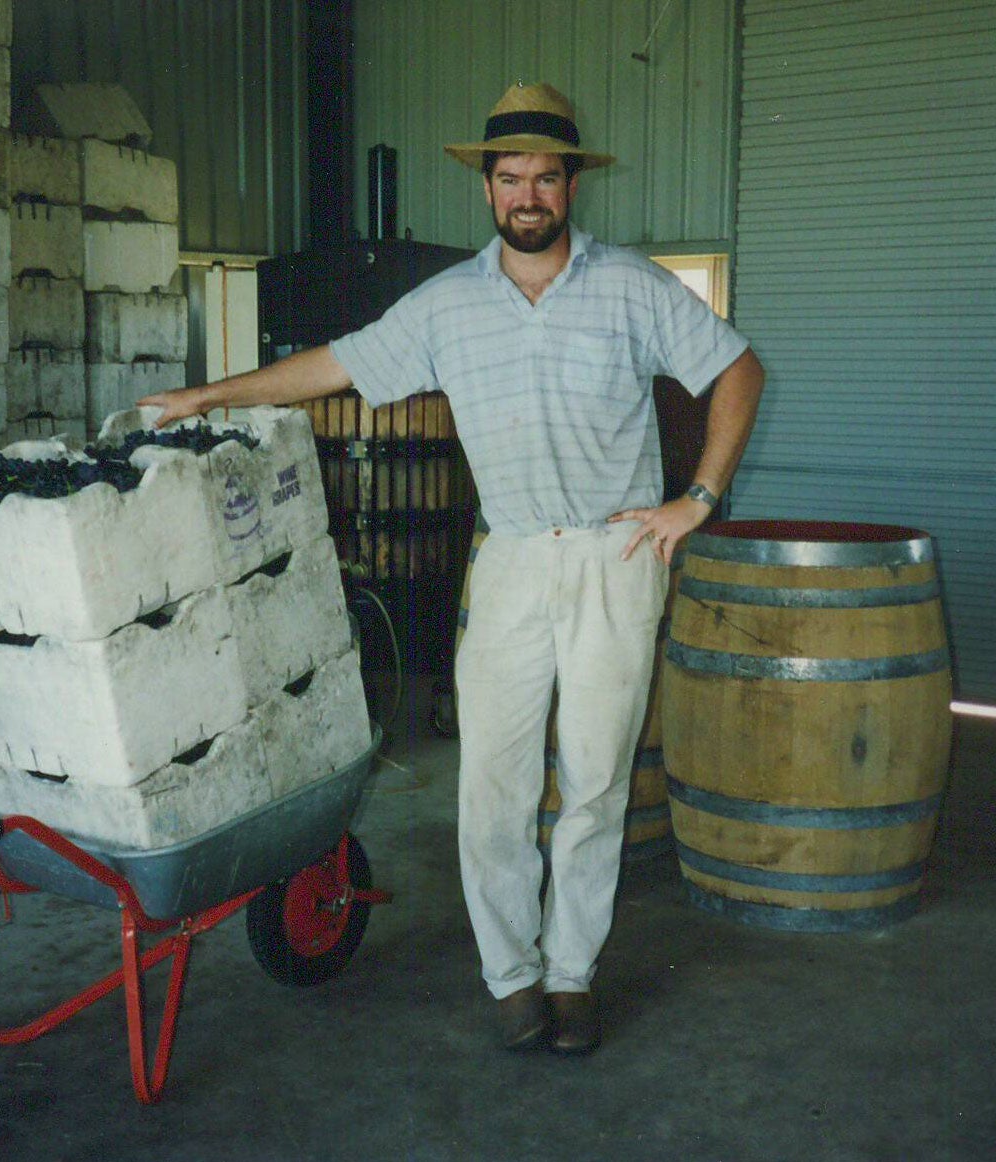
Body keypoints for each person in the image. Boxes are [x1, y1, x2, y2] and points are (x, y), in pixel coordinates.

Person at [141, 81, 764, 1056]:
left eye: (544, 178)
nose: (527, 195)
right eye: (508, 177)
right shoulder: (445, 303)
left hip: (617, 556)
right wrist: (206, 394)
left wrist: (700, 495)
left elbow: (736, 367)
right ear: (485, 189)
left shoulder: (631, 287)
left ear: (569, 187)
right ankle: (512, 977)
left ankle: (570, 976)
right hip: (511, 560)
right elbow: (337, 363)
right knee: (493, 783)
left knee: (596, 784)